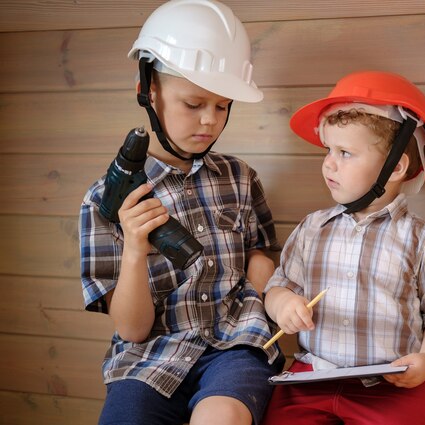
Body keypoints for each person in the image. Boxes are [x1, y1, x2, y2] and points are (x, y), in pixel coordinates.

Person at [79, 1, 284, 424]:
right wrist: (135, 249)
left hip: (236, 346)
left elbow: (260, 253)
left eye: (222, 105)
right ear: (149, 91)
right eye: (193, 104)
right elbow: (133, 331)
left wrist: (276, 302)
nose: (209, 120)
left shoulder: (239, 177)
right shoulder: (103, 201)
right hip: (149, 358)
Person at [261, 71, 425, 425]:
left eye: (345, 152)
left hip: (391, 384)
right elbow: (277, 286)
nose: (329, 162)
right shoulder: (312, 229)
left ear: (395, 168)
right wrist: (283, 304)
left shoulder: (423, 241)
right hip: (312, 376)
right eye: (328, 150)